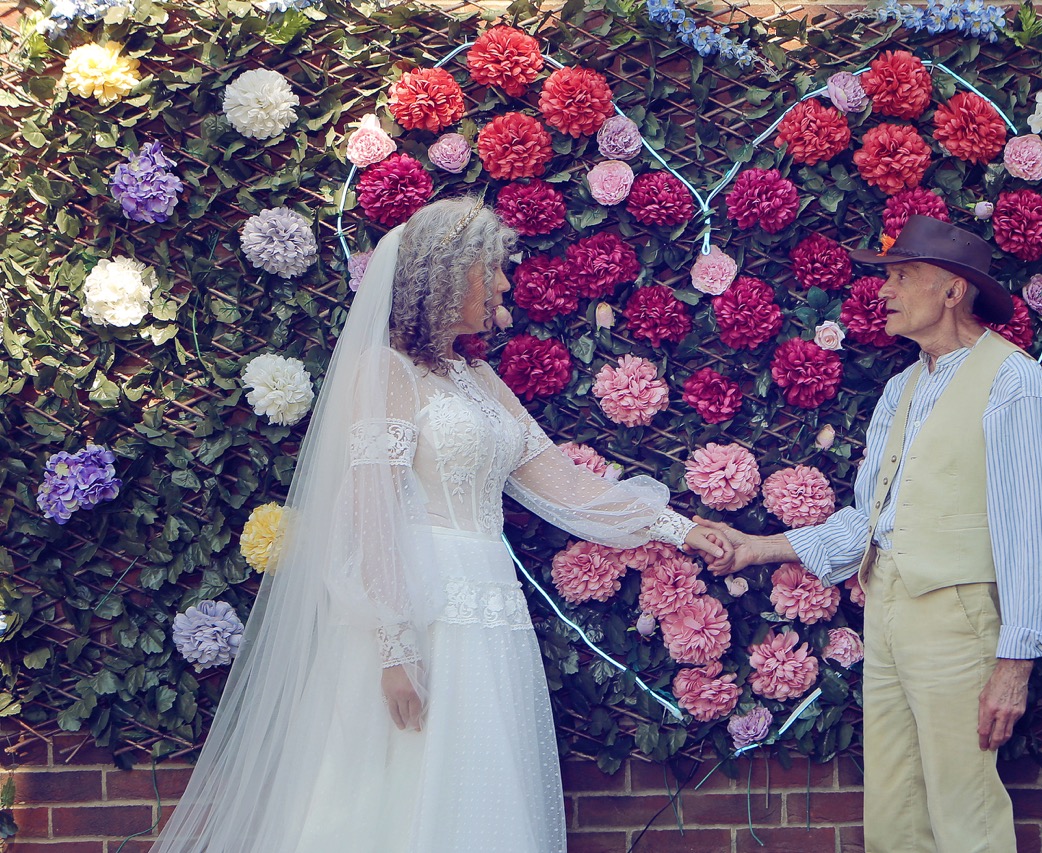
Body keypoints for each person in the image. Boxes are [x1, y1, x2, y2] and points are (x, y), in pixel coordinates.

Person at [153, 196, 730, 853]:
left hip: (492, 609)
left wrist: (679, 527)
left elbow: (565, 486)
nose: (506, 282)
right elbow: (371, 511)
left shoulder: (479, 377)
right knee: (397, 798)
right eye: (493, 268)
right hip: (419, 607)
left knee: (481, 795)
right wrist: (395, 646)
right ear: (448, 274)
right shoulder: (385, 370)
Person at [698, 215, 1042, 852]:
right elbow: (868, 522)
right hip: (890, 610)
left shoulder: (1011, 381)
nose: (885, 290)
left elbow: (1032, 528)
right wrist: (759, 548)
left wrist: (1015, 665)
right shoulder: (902, 387)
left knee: (966, 808)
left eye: (902, 276)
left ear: (953, 291)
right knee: (895, 808)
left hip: (958, 618)